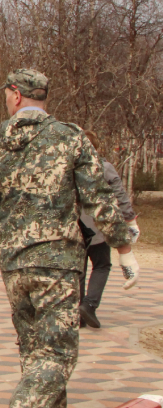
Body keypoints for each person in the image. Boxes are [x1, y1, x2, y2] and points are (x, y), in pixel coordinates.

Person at [0, 69, 137, 408]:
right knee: (58, 352)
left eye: (7, 92)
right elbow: (99, 198)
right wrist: (124, 248)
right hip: (58, 263)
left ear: (17, 95)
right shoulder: (70, 138)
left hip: (14, 264)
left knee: (35, 348)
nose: (6, 98)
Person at [78, 130, 139, 329]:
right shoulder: (105, 167)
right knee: (102, 265)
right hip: (99, 227)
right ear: (96, 148)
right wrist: (130, 220)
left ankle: (77, 309)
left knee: (78, 269)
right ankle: (89, 304)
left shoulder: (68, 168)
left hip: (74, 228)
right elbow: (120, 196)